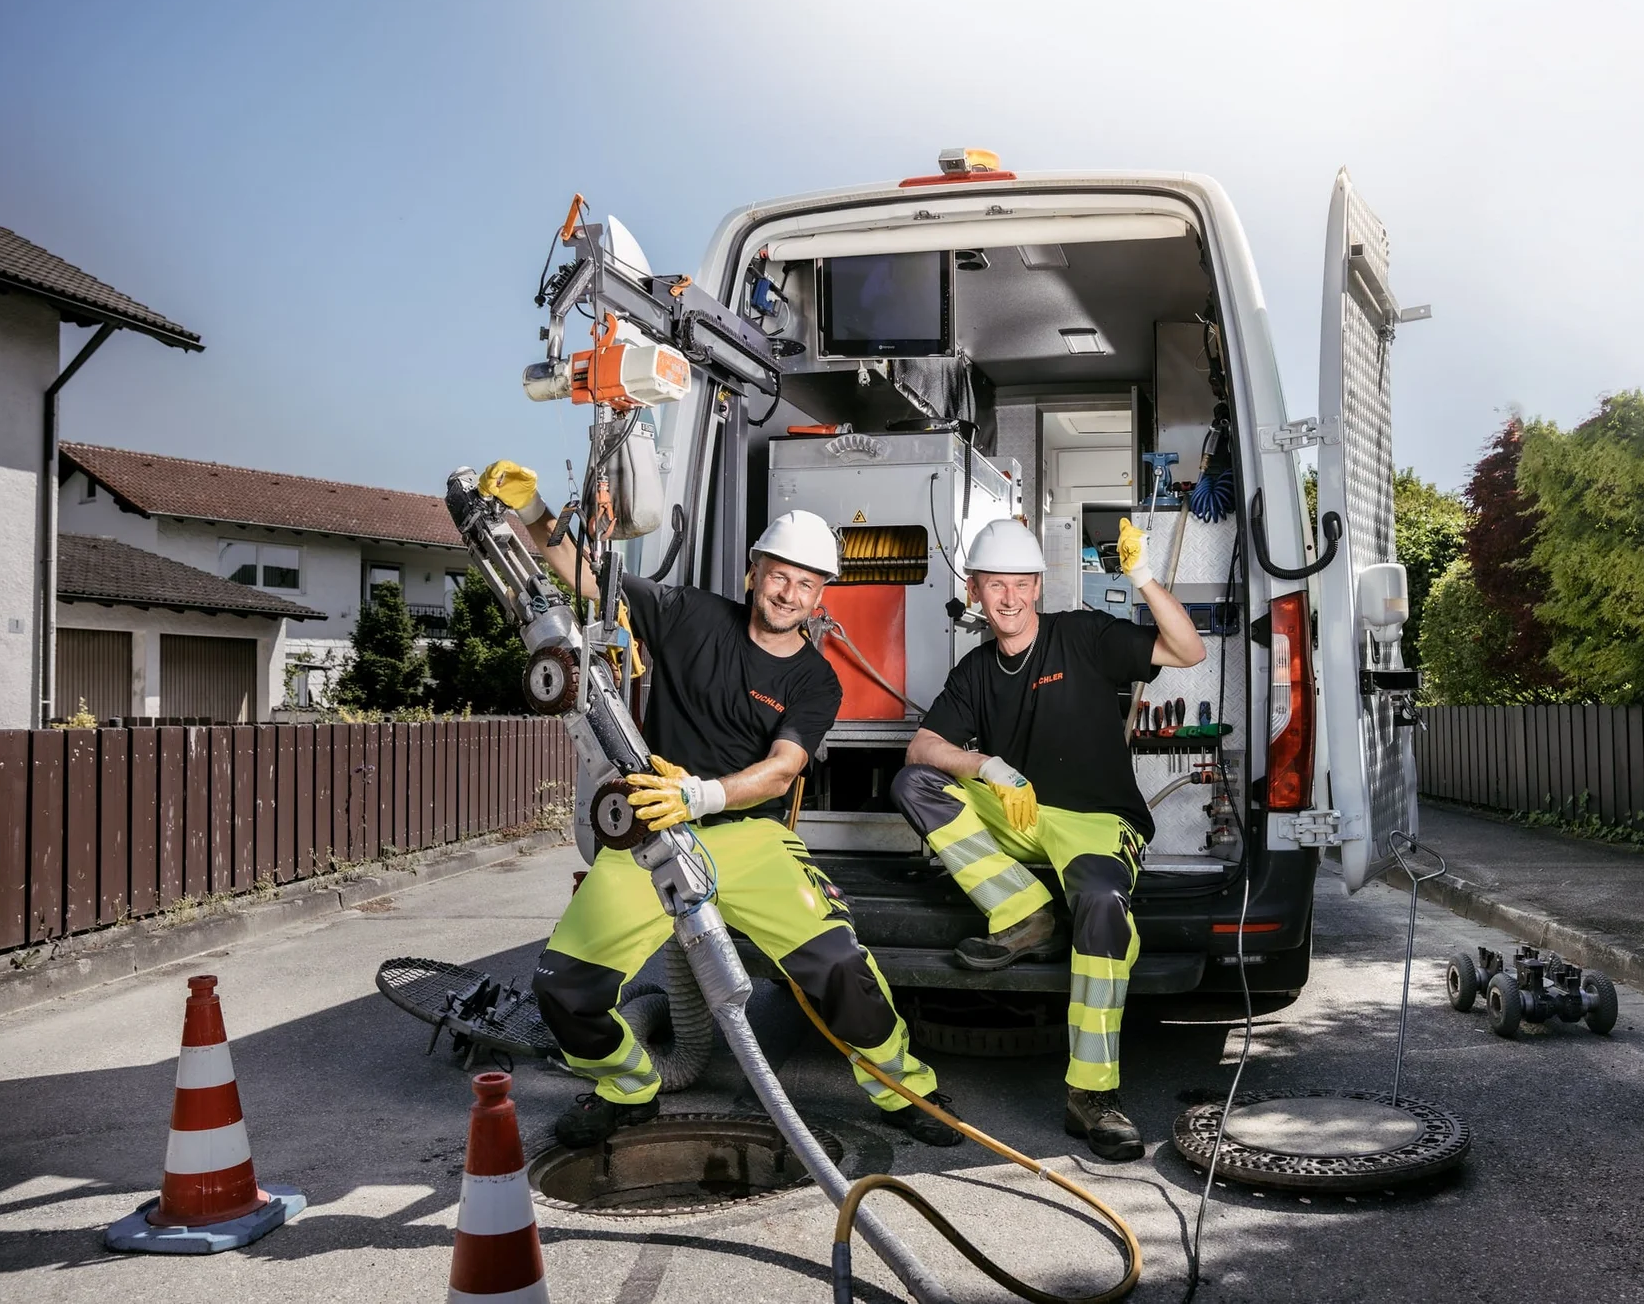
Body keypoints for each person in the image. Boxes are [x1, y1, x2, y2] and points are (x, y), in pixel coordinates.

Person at [474, 460, 960, 1149]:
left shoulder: (814, 680)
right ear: (754, 572)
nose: (790, 592)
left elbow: (781, 770)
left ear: (822, 597)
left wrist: (698, 795)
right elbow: (586, 576)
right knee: (564, 989)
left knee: (841, 970)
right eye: (780, 574)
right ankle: (628, 1085)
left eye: (807, 583)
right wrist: (535, 513)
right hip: (650, 830)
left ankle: (903, 1088)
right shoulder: (687, 616)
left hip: (748, 837)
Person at [892, 516, 1203, 1161]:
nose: (1009, 598)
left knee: (1097, 905)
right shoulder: (976, 670)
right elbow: (922, 745)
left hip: (1096, 825)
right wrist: (984, 766)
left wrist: (1141, 576)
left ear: (1038, 586)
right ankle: (1022, 911)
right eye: (994, 585)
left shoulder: (1082, 636)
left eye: (1021, 584)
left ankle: (1091, 1093)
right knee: (915, 783)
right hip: (1024, 814)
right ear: (975, 592)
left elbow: (1188, 650)